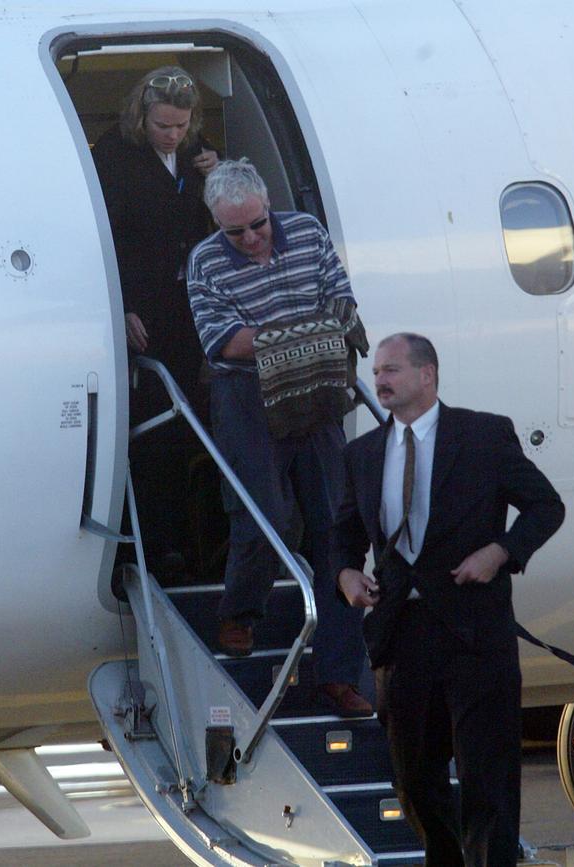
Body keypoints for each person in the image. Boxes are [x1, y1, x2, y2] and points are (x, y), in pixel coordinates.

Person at [332, 333, 565, 866]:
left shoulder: (483, 436)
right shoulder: (362, 454)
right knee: (412, 779)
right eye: (377, 372)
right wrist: (346, 574)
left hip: (474, 630)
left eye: (391, 370)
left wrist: (501, 551)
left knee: (488, 778)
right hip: (403, 634)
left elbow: (545, 507)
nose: (380, 381)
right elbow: (343, 534)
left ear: (427, 375)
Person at [186, 158, 372, 717]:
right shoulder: (203, 262)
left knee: (336, 529)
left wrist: (312, 333)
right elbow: (224, 342)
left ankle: (338, 672)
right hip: (246, 399)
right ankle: (240, 612)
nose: (249, 238)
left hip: (315, 395)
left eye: (257, 225)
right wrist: (313, 334)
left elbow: (341, 299)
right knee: (263, 513)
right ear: (218, 225)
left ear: (269, 208)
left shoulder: (309, 233)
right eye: (234, 231)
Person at [92, 66, 220, 580]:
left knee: (182, 421)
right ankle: (149, 541)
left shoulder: (195, 150)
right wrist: (119, 304)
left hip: (185, 305)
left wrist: (218, 169)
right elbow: (105, 236)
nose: (172, 135)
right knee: (149, 426)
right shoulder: (113, 156)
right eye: (163, 126)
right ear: (141, 115)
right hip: (140, 306)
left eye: (180, 126)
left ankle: (183, 543)